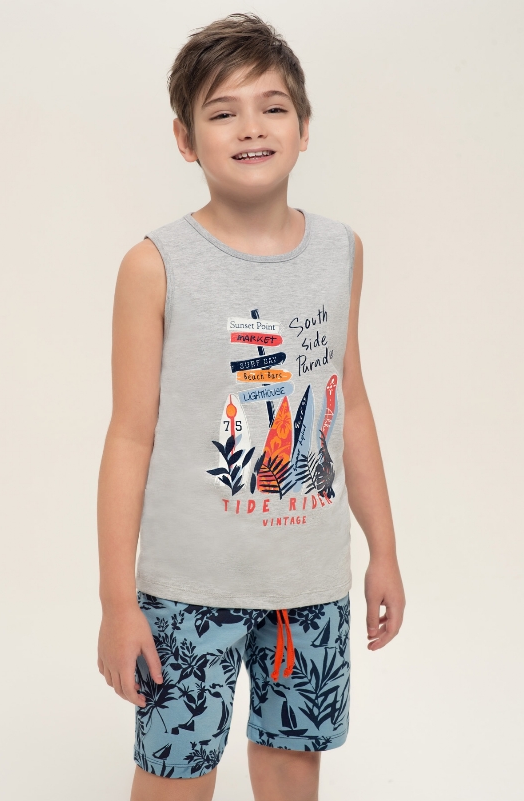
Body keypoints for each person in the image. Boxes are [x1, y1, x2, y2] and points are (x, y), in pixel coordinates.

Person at [97, 12, 406, 801]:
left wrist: (383, 549)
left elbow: (351, 405)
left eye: (272, 106)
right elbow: (129, 437)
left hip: (308, 586)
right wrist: (116, 601)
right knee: (174, 775)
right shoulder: (154, 264)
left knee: (291, 770)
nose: (251, 127)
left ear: (303, 127)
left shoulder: (340, 251)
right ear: (184, 138)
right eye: (221, 111)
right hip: (185, 591)